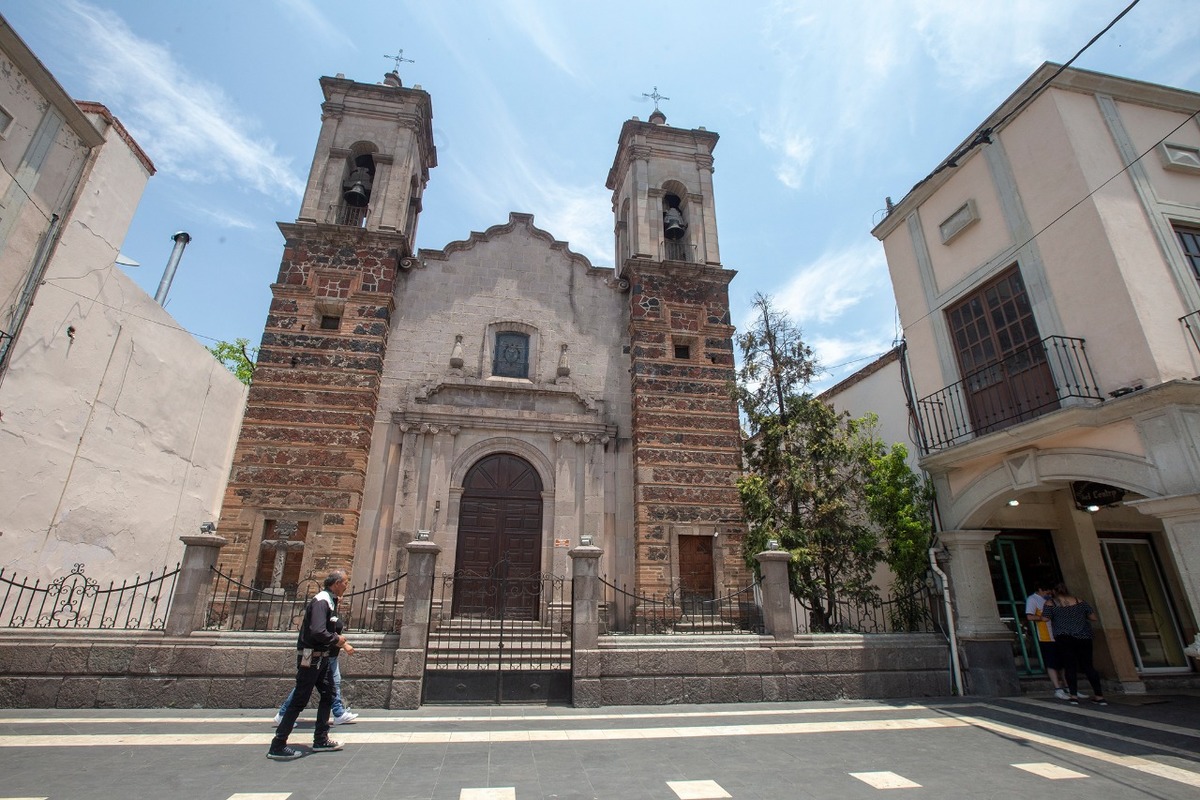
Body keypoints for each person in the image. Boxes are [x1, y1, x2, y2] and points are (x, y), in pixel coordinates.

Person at [267, 570, 352, 760]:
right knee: (300, 698)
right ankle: (278, 744)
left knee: (329, 693)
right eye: (345, 582)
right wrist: (338, 639)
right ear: (336, 583)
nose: (347, 585)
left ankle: (321, 738)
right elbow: (317, 631)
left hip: (320, 657)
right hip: (310, 656)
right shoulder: (322, 601)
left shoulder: (329, 601)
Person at [1043, 582, 1108, 706]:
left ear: (1054, 592)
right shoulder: (1080, 601)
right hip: (1083, 636)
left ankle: (1073, 696)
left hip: (1064, 637)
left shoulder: (1051, 603)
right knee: (1089, 666)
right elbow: (1093, 617)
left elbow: (1045, 618)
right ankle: (1099, 696)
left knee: (1069, 666)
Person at [272, 646, 359, 726]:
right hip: (316, 655)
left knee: (332, 684)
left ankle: (338, 713)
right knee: (304, 686)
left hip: (326, 654)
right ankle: (283, 716)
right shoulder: (314, 629)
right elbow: (320, 632)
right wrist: (342, 642)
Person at [1025, 581, 1069, 700]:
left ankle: (1069, 687)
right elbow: (1029, 616)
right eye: (1046, 590)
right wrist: (1042, 618)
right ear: (1039, 589)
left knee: (1064, 663)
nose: (1048, 593)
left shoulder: (1052, 599)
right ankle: (1058, 688)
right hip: (1046, 636)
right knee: (1052, 663)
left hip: (1059, 634)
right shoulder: (1032, 599)